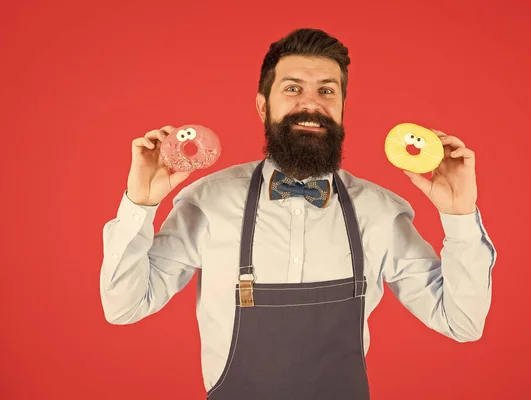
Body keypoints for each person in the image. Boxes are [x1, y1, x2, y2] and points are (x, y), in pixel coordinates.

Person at [100, 28, 497, 399]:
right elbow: (125, 306)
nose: (311, 103)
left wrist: (459, 216)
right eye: (293, 89)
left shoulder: (379, 211)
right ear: (262, 105)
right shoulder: (209, 202)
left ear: (342, 106)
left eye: (327, 90)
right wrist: (140, 204)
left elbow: (460, 322)